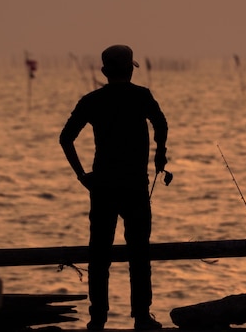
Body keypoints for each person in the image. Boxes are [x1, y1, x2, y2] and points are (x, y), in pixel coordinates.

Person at [60, 45, 168, 331]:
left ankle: (98, 319)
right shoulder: (142, 96)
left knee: (99, 256)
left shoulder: (92, 100)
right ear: (131, 69)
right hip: (134, 186)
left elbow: (65, 138)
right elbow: (162, 124)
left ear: (105, 71)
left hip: (103, 186)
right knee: (139, 255)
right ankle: (142, 317)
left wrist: (82, 175)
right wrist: (160, 153)